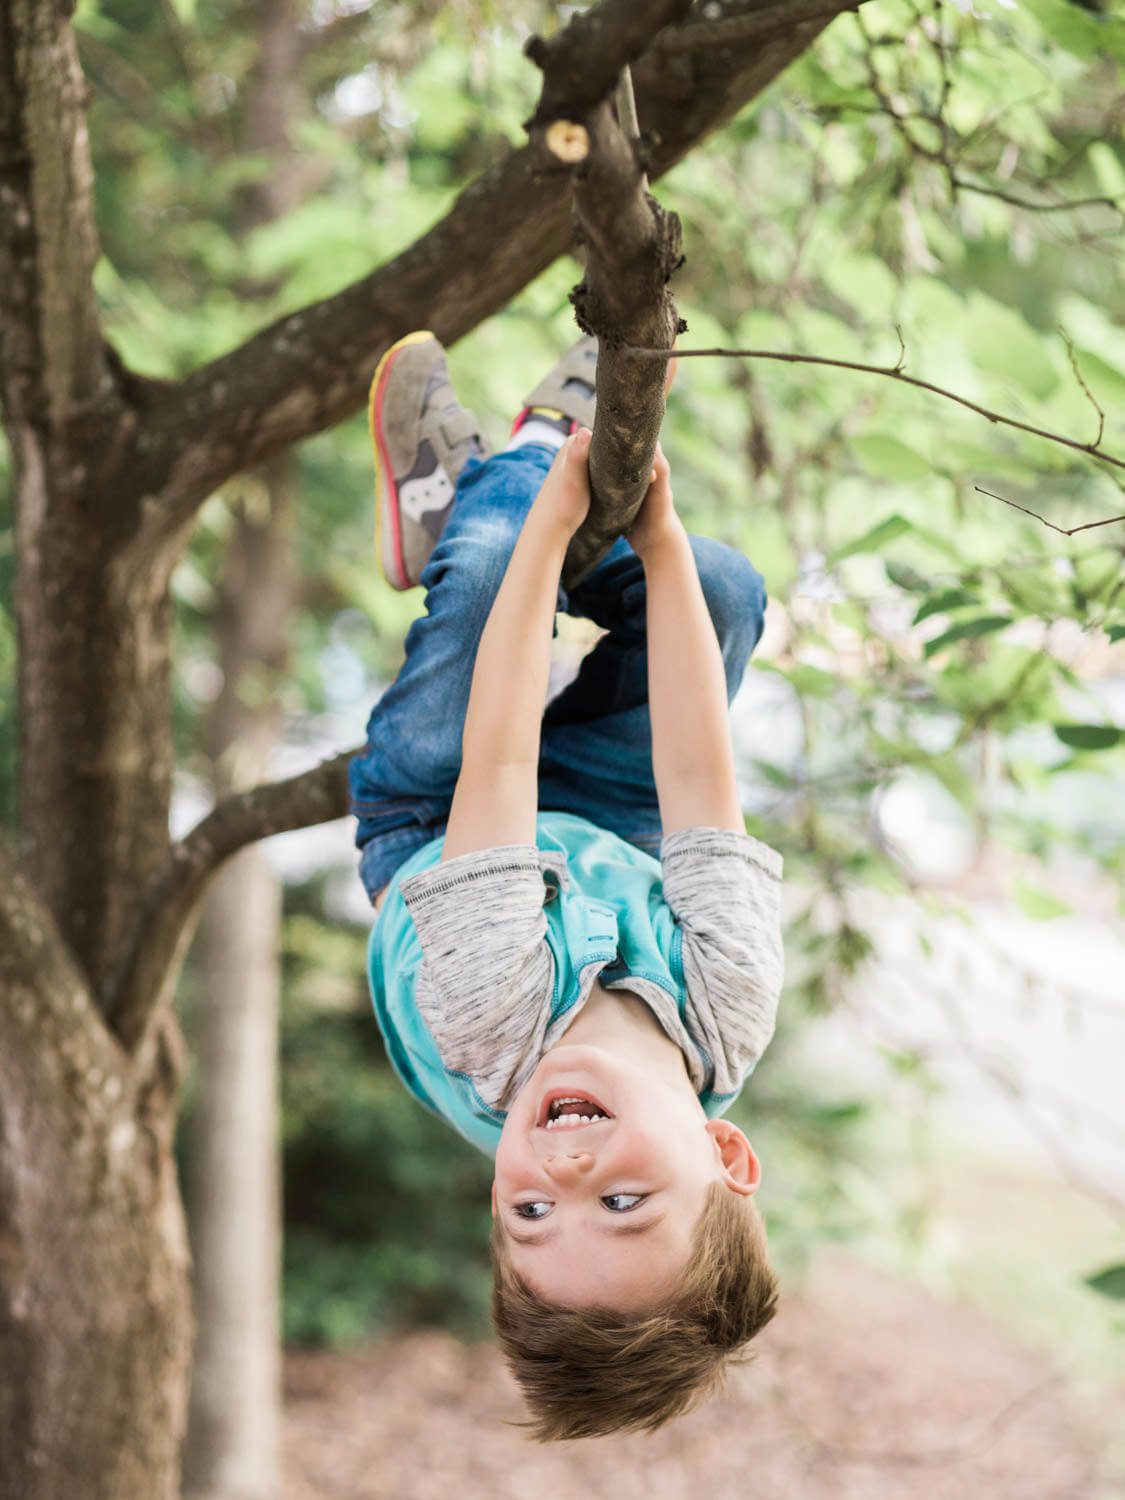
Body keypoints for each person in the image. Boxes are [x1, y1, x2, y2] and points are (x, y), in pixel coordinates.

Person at [349, 331, 784, 1440]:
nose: (566, 1165)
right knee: (725, 589)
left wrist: (550, 522)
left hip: (444, 823)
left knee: (502, 569)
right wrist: (663, 537)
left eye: (531, 1210)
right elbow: (695, 772)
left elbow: (497, 759)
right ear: (726, 1154)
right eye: (623, 1203)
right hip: (609, 832)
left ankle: (495, 482)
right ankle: (485, 513)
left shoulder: (492, 1024)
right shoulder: (727, 1005)